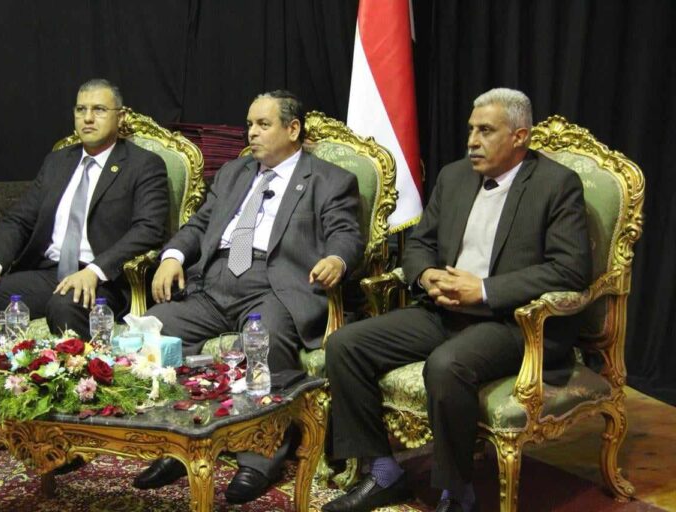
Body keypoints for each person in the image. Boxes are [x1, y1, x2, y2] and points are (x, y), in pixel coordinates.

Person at [322, 88, 592, 512]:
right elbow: (420, 245)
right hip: (443, 310)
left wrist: (483, 289)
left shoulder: (556, 185)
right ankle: (384, 471)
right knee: (345, 345)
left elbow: (570, 270)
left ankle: (456, 493)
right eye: (471, 130)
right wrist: (426, 275)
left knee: (447, 365)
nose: (472, 141)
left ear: (520, 136)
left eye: (486, 131)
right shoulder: (454, 177)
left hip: (511, 322)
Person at [133, 90, 364, 503]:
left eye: (263, 124)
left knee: (264, 341)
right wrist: (172, 257)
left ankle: (259, 457)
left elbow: (346, 234)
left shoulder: (329, 179)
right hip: (213, 282)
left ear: (292, 129)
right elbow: (199, 224)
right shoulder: (234, 173)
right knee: (156, 329)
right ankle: (178, 441)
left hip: (273, 285)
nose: (251, 133)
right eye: (250, 124)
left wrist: (336, 259)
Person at [0, 78, 169, 464]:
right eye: (81, 109)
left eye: (99, 109)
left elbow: (149, 229)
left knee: (65, 305)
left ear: (120, 117)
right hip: (48, 272)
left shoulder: (144, 165)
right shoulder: (58, 161)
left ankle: (72, 432)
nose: (88, 118)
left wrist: (95, 269)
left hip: (102, 280)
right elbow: (19, 219)